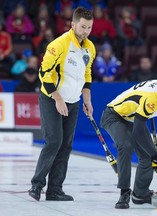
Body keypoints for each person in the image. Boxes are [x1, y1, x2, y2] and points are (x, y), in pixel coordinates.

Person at [28, 7, 96, 202]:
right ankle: (37, 185)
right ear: (73, 25)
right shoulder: (59, 45)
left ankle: (55, 190)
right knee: (54, 141)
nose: (86, 31)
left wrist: (87, 99)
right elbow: (44, 74)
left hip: (73, 101)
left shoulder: (90, 48)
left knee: (66, 145)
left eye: (89, 27)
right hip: (51, 98)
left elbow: (87, 74)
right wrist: (57, 98)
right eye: (83, 27)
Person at [100, 70, 157, 209]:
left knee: (147, 155)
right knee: (126, 146)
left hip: (133, 117)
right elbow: (138, 131)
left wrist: (152, 156)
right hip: (114, 116)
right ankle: (124, 192)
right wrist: (155, 155)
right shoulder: (152, 98)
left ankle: (140, 193)